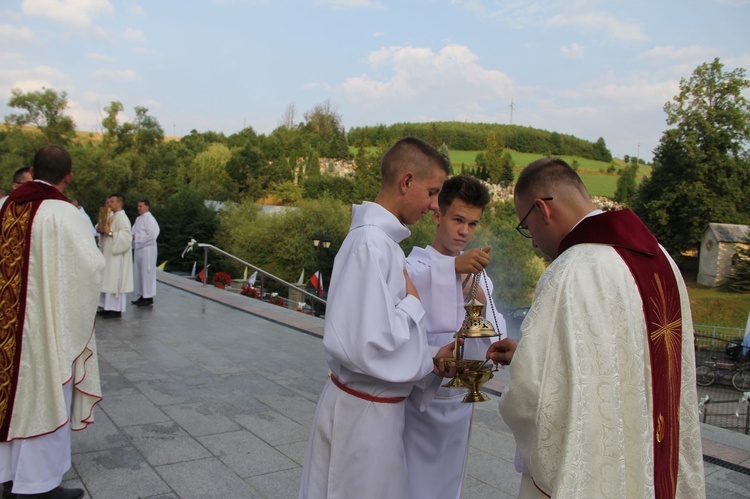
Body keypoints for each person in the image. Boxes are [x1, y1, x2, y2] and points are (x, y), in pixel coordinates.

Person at [487, 158, 705, 498]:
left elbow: (534, 397)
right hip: (654, 460)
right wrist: (528, 355)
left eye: (526, 227)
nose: (532, 242)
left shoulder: (570, 271)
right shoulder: (664, 261)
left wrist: (531, 368)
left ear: (542, 209)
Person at [298, 137, 459, 499]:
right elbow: (368, 345)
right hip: (362, 417)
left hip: (374, 412)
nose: (435, 206)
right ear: (406, 182)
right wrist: (414, 304)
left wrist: (433, 357)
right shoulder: (371, 245)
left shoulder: (382, 244)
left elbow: (378, 333)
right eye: (432, 192)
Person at [0, 145, 105, 499]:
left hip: (5, 327)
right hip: (44, 331)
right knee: (43, 395)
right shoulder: (67, 214)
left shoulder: (3, 207)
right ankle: (38, 485)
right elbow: (91, 269)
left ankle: (4, 472)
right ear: (69, 176)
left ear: (32, 170)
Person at [404, 174, 506, 499]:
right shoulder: (413, 264)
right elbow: (410, 296)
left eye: (473, 224)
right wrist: (452, 271)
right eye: (458, 220)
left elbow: (491, 331)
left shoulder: (478, 272)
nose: (464, 231)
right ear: (437, 215)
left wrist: (472, 293)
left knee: (448, 486)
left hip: (458, 401)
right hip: (420, 400)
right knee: (410, 483)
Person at [97, 193, 133, 318]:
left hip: (117, 256)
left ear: (119, 203)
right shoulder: (113, 217)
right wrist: (102, 231)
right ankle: (107, 306)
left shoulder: (123, 218)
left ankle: (115, 309)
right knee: (108, 279)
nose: (110, 204)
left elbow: (127, 237)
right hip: (109, 254)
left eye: (112, 201)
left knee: (113, 281)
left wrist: (111, 232)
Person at [131, 199, 160, 307]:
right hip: (139, 250)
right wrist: (132, 238)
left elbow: (152, 235)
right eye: (138, 206)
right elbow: (132, 231)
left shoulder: (150, 219)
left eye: (141, 206)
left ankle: (148, 296)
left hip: (147, 249)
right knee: (139, 272)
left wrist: (137, 238)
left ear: (147, 207)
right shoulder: (138, 219)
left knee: (146, 272)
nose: (139, 208)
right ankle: (142, 295)